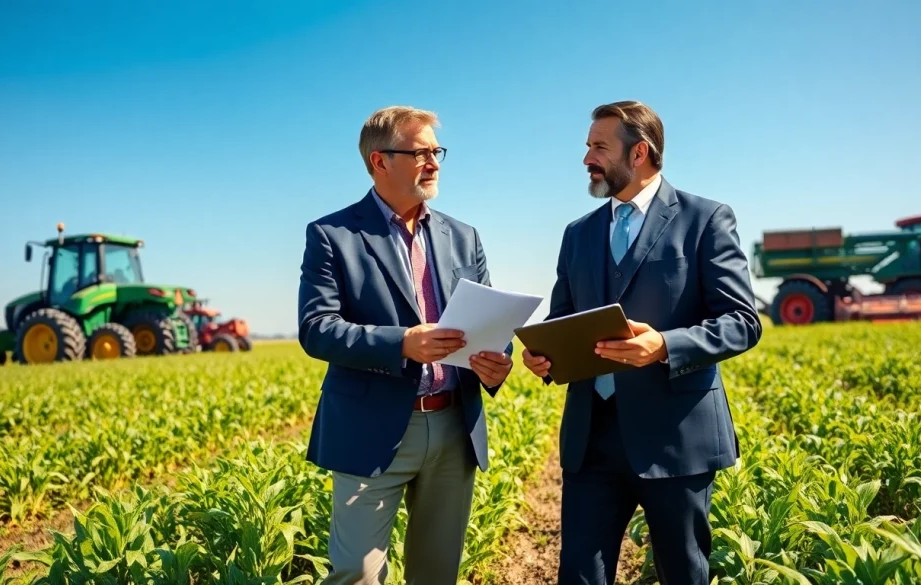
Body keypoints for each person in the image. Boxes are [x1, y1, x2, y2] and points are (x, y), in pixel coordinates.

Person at [522, 100, 762, 585]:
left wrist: (665, 345)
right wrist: (543, 355)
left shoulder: (706, 219)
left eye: (598, 147)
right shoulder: (577, 234)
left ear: (639, 153)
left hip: (675, 435)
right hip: (592, 437)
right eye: (588, 146)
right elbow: (563, 317)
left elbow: (742, 321)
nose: (587, 157)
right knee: (579, 575)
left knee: (682, 572)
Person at [298, 105, 514, 585]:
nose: (434, 161)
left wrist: (498, 362)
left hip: (455, 424)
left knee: (436, 573)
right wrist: (403, 344)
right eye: (421, 152)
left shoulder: (464, 236)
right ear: (380, 161)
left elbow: (491, 319)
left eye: (437, 151)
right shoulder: (333, 234)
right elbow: (316, 328)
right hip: (371, 427)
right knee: (356, 572)